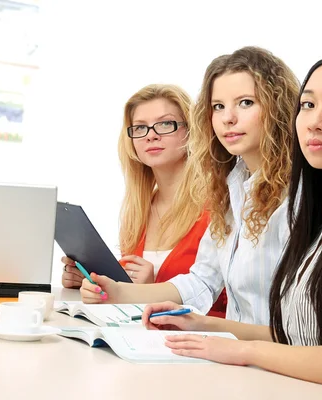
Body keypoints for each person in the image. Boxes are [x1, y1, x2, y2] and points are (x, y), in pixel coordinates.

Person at [145, 51, 322, 400]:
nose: (314, 122)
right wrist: (203, 325)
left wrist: (242, 351)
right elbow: (298, 338)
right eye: (307, 105)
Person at [79, 46, 299, 326]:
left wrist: (204, 327)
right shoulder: (231, 187)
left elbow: (301, 327)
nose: (228, 117)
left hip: (266, 354)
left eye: (245, 102)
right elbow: (203, 280)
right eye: (218, 106)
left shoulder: (298, 192)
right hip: (230, 350)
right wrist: (117, 290)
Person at [61, 83, 227, 317]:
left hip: (203, 342)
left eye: (165, 124)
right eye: (140, 128)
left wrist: (149, 287)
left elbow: (225, 299)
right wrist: (91, 281)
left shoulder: (219, 206)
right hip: (146, 338)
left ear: (190, 131)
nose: (151, 135)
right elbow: (128, 290)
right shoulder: (138, 210)